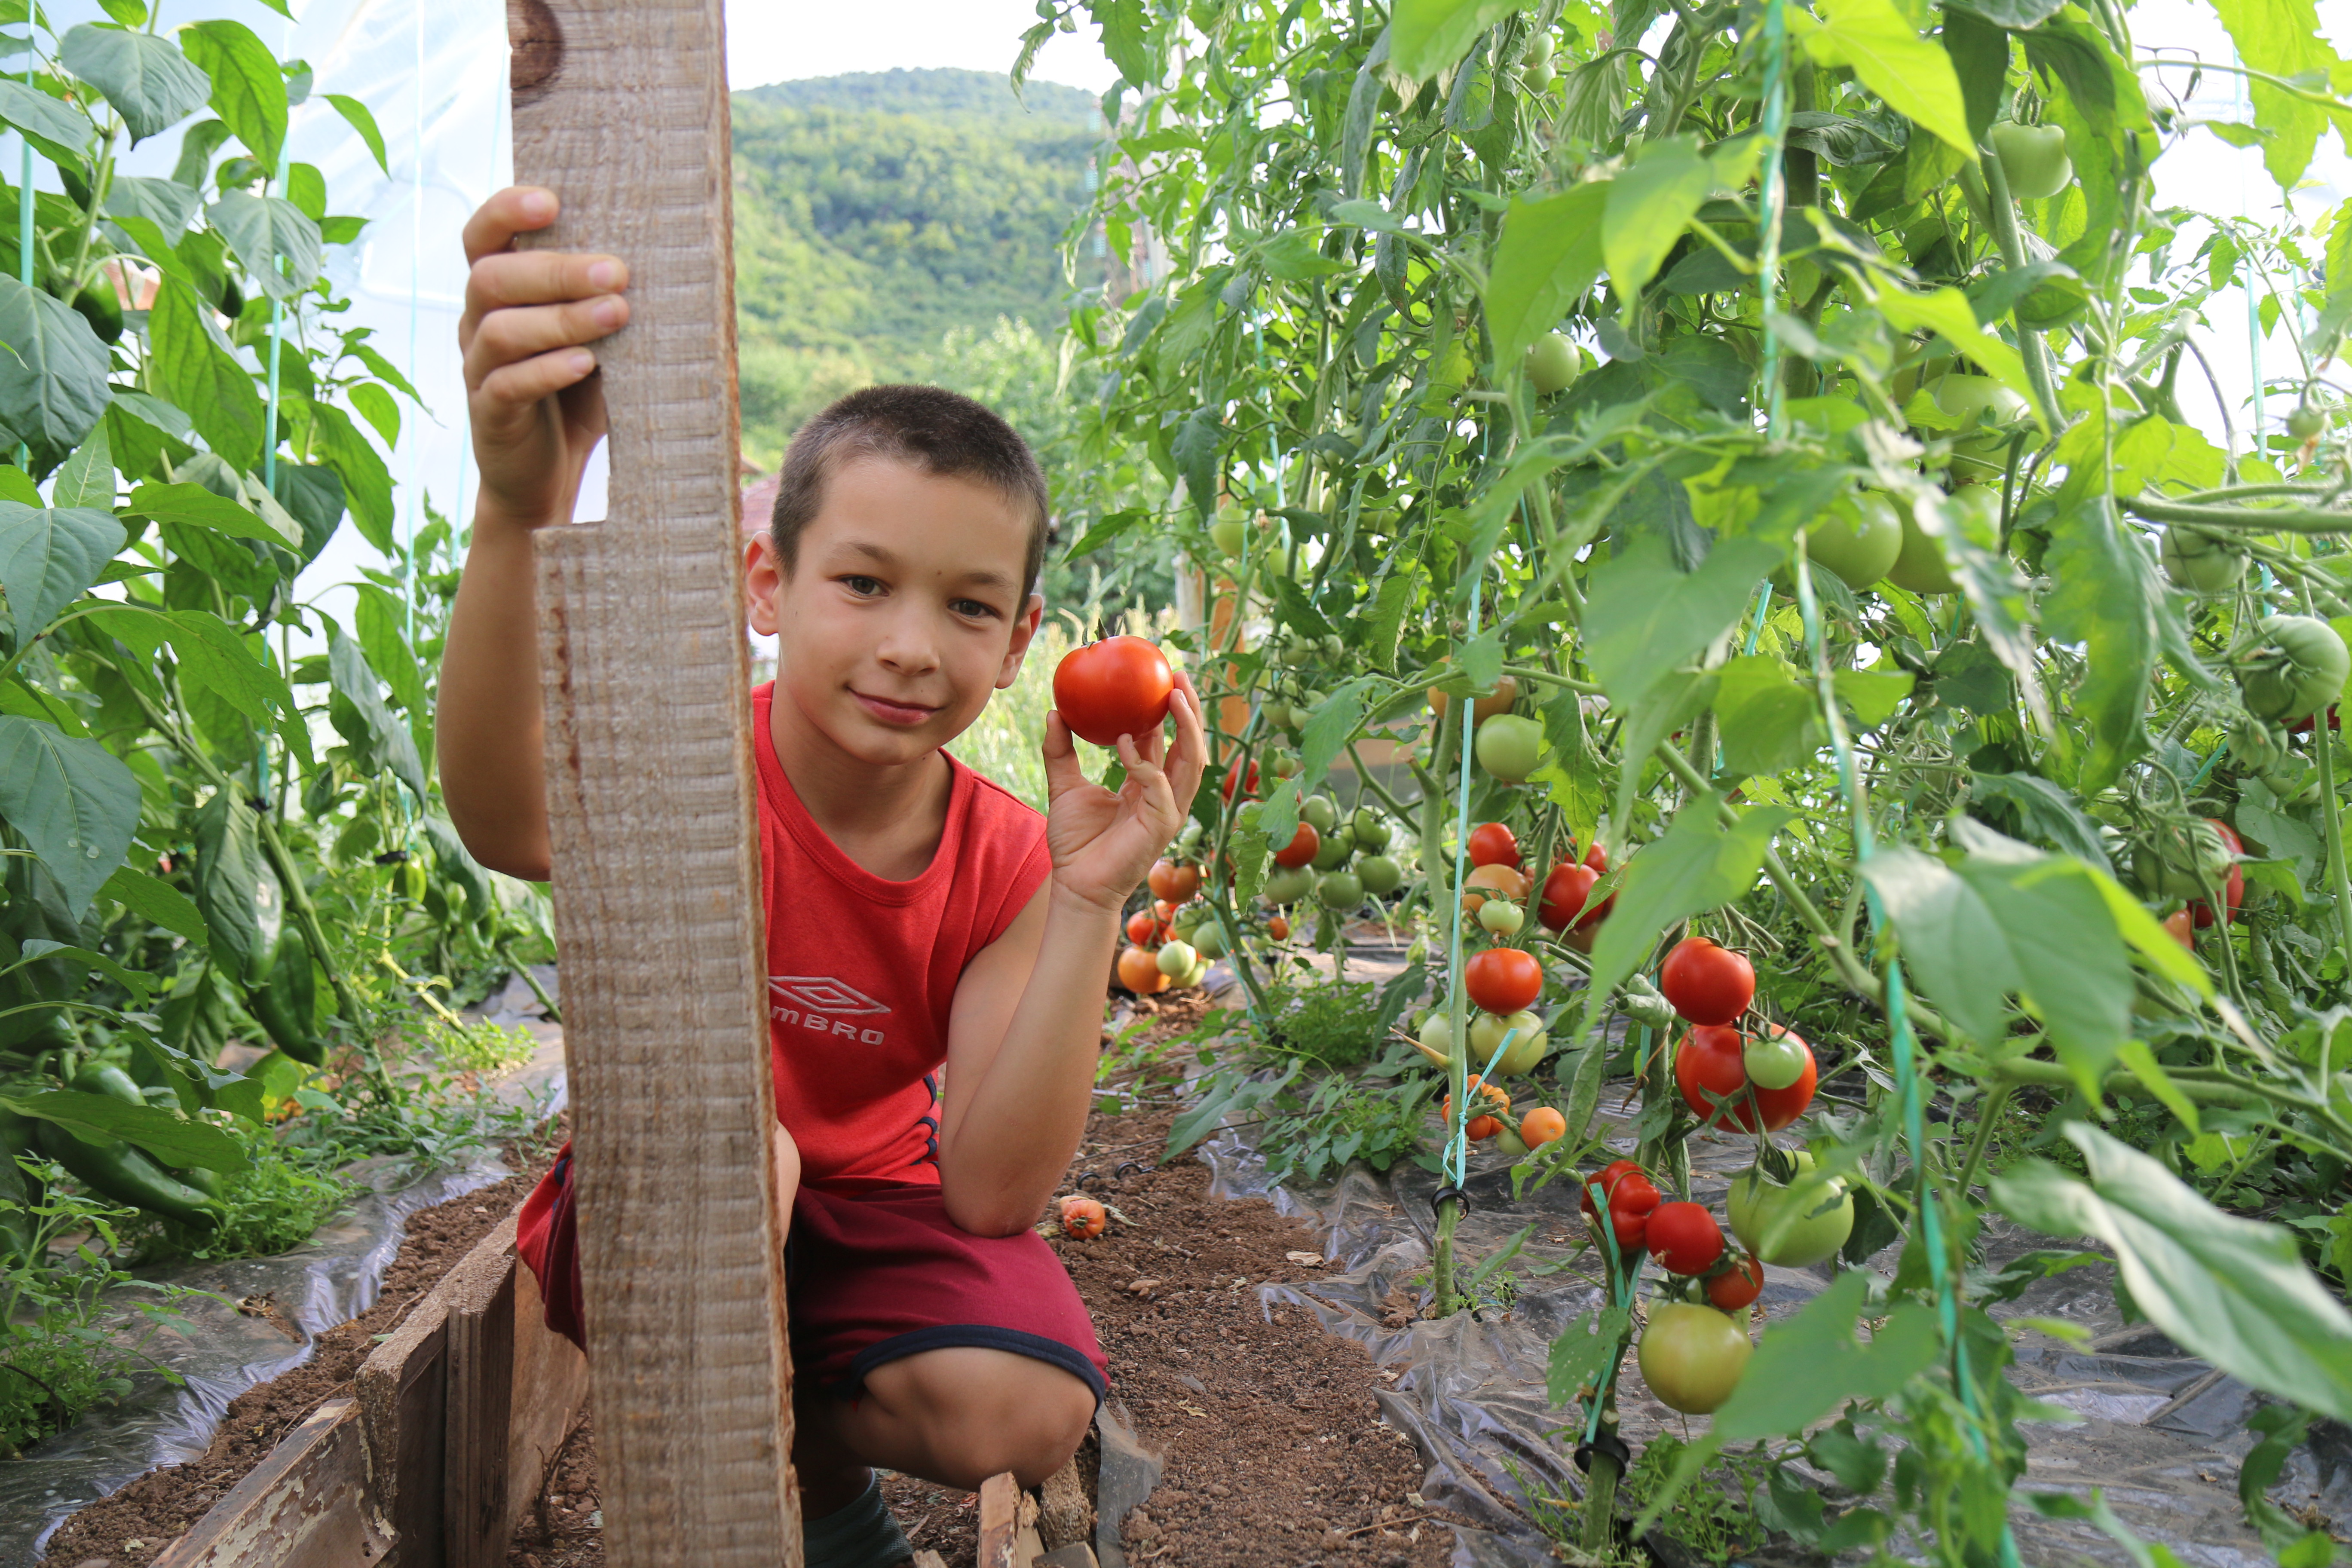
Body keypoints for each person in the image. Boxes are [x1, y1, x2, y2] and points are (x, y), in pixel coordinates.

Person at [437, 185, 1207, 1568]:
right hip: (660, 1200)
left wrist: (1094, 901)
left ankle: (804, 1458)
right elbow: (506, 822)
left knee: (1027, 1404)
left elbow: (989, 1195)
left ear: (1021, 638)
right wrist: (517, 506)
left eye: (969, 606)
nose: (915, 645)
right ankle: (755, 1491)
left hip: (878, 1206)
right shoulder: (688, 774)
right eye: (863, 583)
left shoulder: (1012, 856)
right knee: (751, 1157)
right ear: (764, 581)